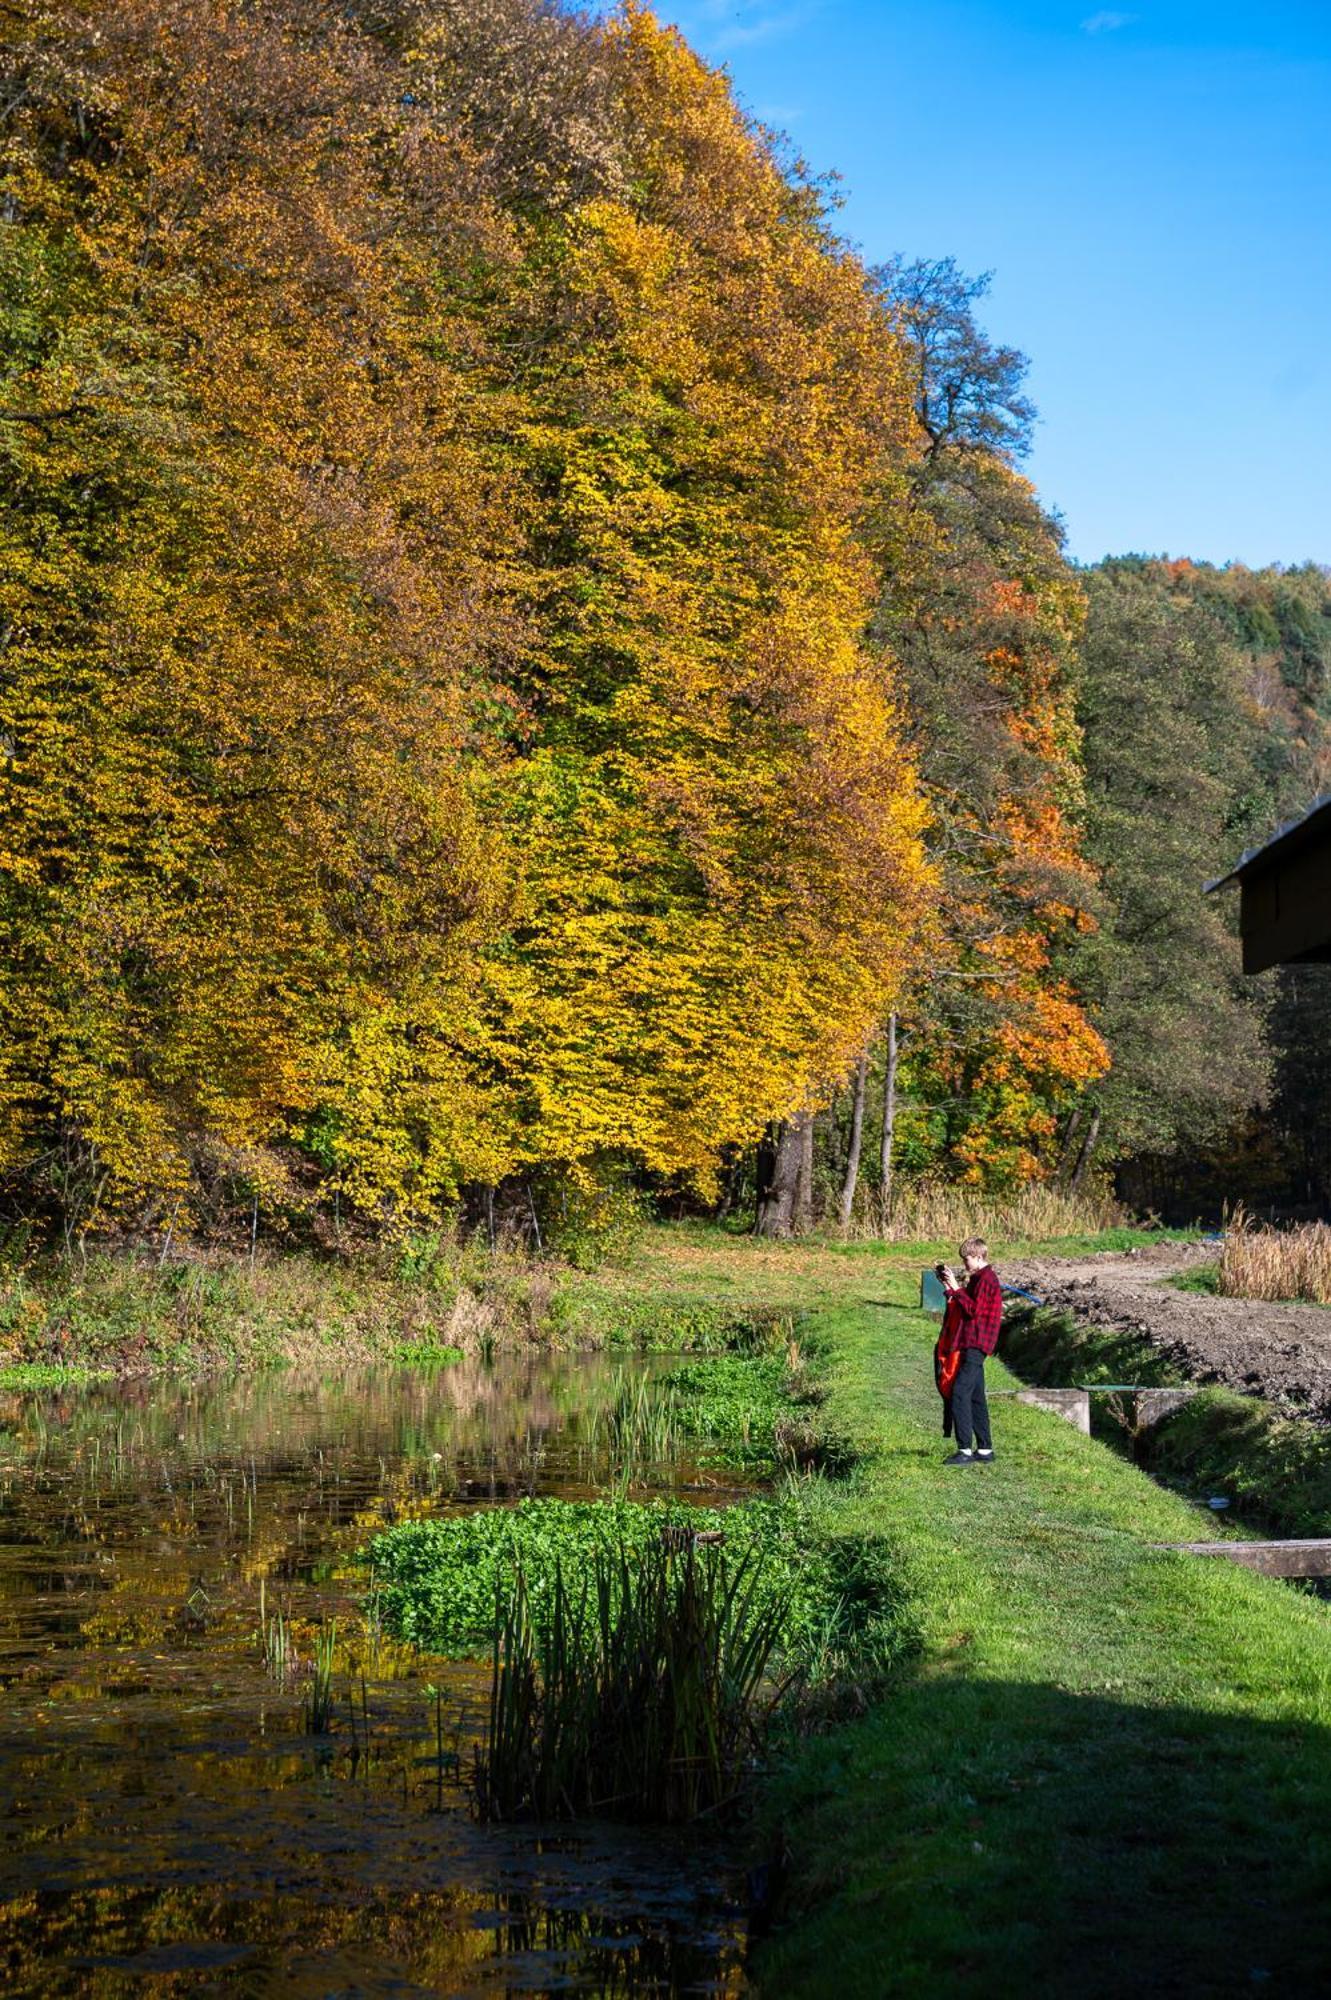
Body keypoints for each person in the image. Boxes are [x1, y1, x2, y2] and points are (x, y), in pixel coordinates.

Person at [935, 1237, 1002, 1466]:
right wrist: (950, 1289)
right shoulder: (978, 1279)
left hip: (977, 1343)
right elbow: (965, 1307)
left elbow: (973, 1310)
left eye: (967, 1259)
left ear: (979, 1256)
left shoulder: (986, 1280)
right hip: (971, 1342)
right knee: (975, 1397)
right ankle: (984, 1450)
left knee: (960, 1393)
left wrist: (956, 1288)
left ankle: (964, 1450)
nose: (964, 1263)